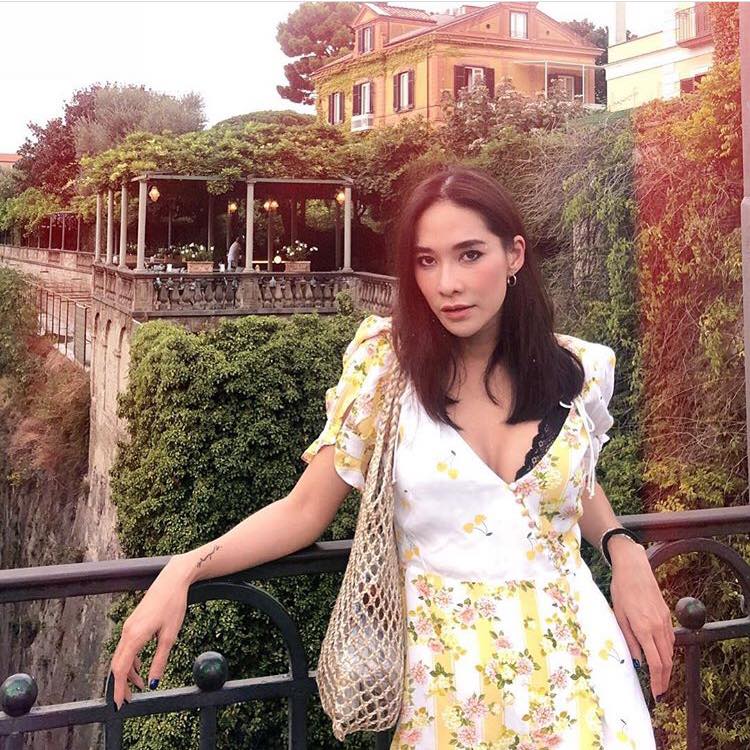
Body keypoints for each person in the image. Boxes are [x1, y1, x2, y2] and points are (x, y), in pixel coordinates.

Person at [110, 165, 673, 748]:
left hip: (583, 675)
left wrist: (622, 546)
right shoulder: (385, 373)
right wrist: (186, 566)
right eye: (427, 261)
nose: (447, 283)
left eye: (470, 255)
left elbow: (572, 483)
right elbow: (304, 511)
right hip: (450, 688)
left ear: (514, 255)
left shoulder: (577, 372)